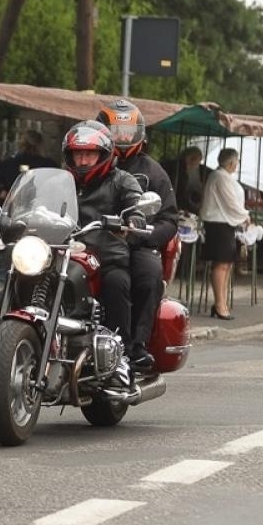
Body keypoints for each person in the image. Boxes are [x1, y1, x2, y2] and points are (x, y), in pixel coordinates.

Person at [102, 98, 178, 373]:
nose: (122, 137)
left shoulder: (153, 172)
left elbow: (170, 220)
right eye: (116, 131)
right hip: (93, 241)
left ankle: (136, 347)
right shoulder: (85, 166)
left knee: (148, 276)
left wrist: (142, 236)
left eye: (127, 131)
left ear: (139, 134)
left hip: (136, 244)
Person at [64, 121, 143, 379]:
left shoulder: (122, 180)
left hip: (106, 257)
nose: (84, 161)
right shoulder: (62, 182)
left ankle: (122, 356)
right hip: (65, 255)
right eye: (78, 154)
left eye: (89, 154)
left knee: (117, 283)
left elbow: (136, 204)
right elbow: (38, 201)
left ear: (103, 155)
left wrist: (134, 218)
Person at [200, 147, 251, 319]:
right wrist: (245, 216)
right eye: (236, 161)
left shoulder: (223, 176)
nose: (237, 165)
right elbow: (230, 202)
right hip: (218, 223)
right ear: (231, 162)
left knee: (226, 263)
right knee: (221, 264)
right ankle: (220, 304)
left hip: (225, 224)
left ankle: (222, 302)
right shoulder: (219, 177)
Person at [0, 128, 56, 201]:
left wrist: (5, 195)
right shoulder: (49, 164)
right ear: (41, 144)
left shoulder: (11, 163)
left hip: (15, 206)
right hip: (40, 207)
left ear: (22, 144)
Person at [171, 145, 211, 217]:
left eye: (197, 159)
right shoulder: (176, 168)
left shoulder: (204, 171)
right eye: (191, 158)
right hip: (179, 204)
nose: (193, 162)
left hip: (198, 204)